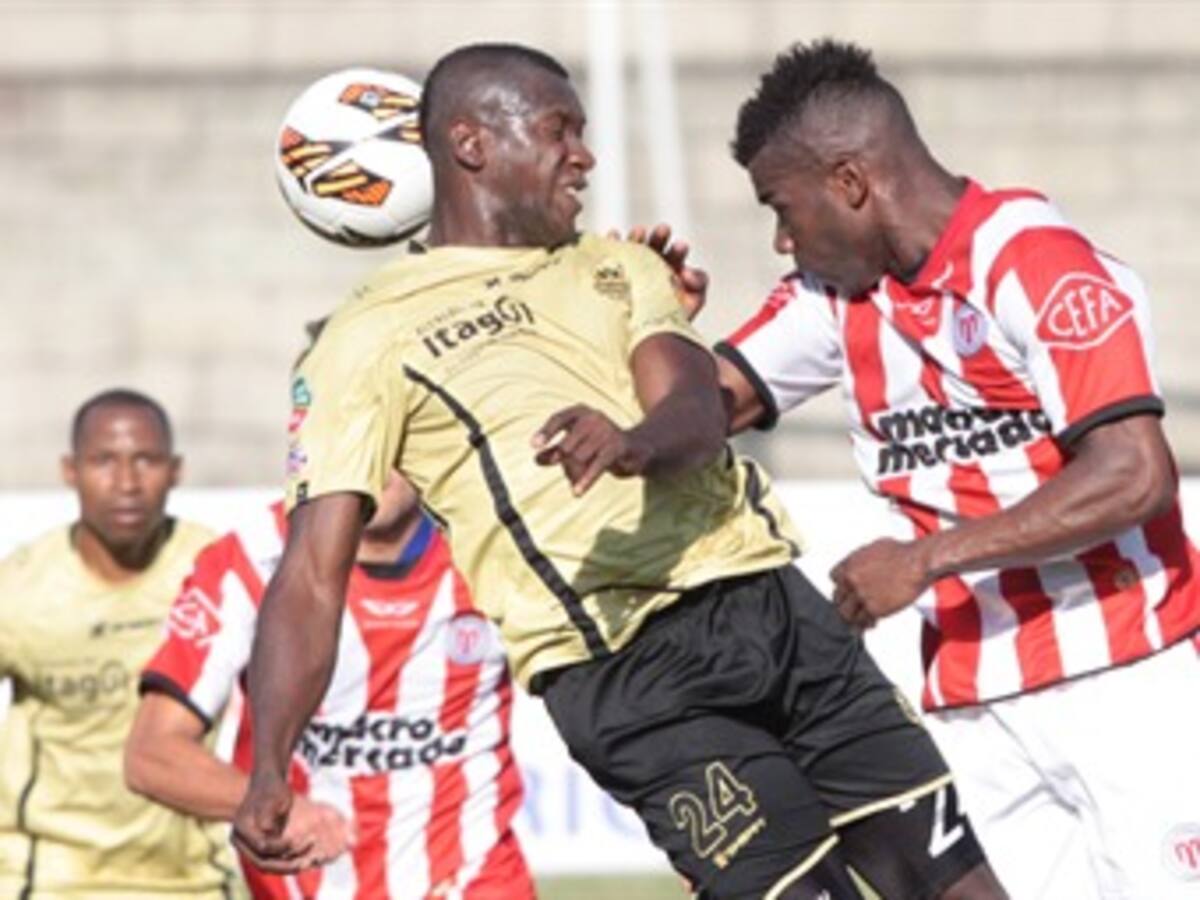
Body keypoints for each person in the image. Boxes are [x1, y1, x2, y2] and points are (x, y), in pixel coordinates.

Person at [232, 43, 1006, 899]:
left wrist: (635, 442)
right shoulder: (365, 339)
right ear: (471, 144)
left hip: (776, 609)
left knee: (957, 885)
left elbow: (696, 409)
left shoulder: (620, 265)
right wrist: (270, 765)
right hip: (629, 671)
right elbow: (311, 573)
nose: (585, 155)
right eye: (560, 129)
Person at [714, 38, 1200, 899]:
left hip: (1128, 677)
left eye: (781, 208)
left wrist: (925, 559)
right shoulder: (839, 297)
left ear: (851, 183)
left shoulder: (1033, 259)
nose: (783, 239)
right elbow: (714, 400)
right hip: (976, 700)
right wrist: (642, 319)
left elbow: (1134, 473)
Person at [125, 470, 534, 899]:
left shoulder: (497, 549)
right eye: (358, 435)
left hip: (473, 879)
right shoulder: (251, 557)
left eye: (391, 436)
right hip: (311, 883)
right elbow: (152, 753)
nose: (373, 461)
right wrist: (270, 801)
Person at [0, 389, 234, 897]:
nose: (126, 483)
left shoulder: (219, 574)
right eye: (104, 460)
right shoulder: (21, 588)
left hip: (193, 880)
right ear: (70, 470)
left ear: (175, 471)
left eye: (145, 460)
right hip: (54, 878)